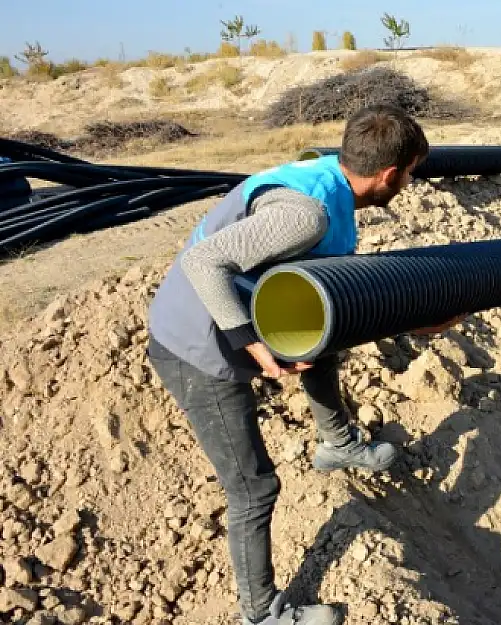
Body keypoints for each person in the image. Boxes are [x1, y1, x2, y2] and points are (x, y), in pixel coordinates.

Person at [145, 104, 463, 625]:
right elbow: (202, 262)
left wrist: (413, 322)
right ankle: (261, 613)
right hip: (196, 344)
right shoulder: (305, 214)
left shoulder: (331, 181)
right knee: (253, 486)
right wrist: (249, 341)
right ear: (388, 174)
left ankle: (337, 445)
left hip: (243, 308)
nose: (411, 181)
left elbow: (341, 296)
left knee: (322, 342)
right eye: (410, 172)